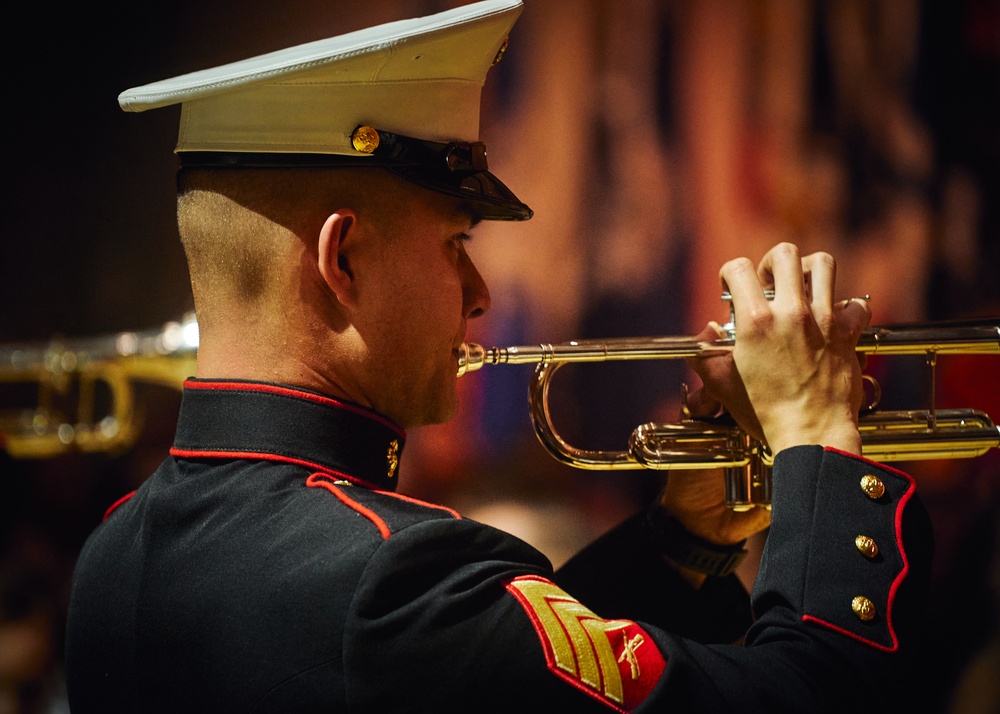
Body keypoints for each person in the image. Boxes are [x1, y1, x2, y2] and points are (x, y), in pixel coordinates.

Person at [64, 1, 932, 712]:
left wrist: (684, 540)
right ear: (344, 259)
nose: (480, 294)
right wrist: (818, 436)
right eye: (455, 244)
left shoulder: (113, 553)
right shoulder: (386, 577)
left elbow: (491, 674)